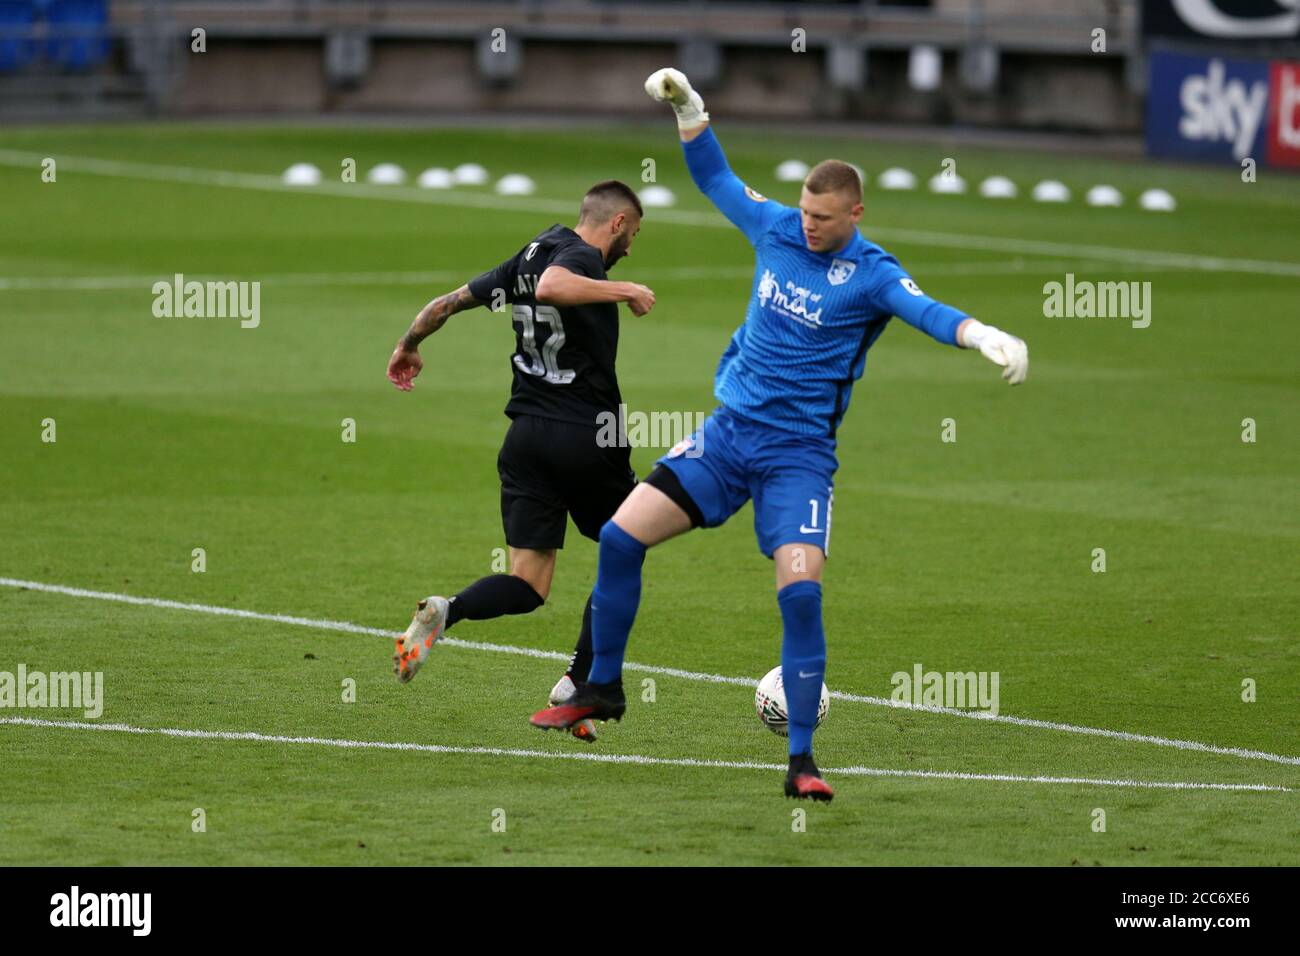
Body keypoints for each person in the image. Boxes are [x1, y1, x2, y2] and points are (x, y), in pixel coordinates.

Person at [530, 69, 1029, 798]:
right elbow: (718, 180)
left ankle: (802, 762)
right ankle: (602, 686)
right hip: (728, 438)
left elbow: (927, 311)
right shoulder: (777, 228)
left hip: (797, 460)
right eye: (803, 211)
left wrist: (979, 334)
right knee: (618, 537)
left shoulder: (871, 274)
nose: (807, 225)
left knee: (799, 595)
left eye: (822, 218)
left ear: (854, 213)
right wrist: (690, 111)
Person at [386, 180, 656, 742]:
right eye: (632, 234)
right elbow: (559, 285)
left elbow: (447, 304)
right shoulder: (577, 260)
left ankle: (448, 609)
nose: (630, 246)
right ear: (617, 223)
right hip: (587, 437)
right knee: (630, 542)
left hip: (526, 439)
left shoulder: (527, 256)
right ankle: (579, 684)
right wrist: (625, 288)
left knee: (528, 585)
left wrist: (410, 343)